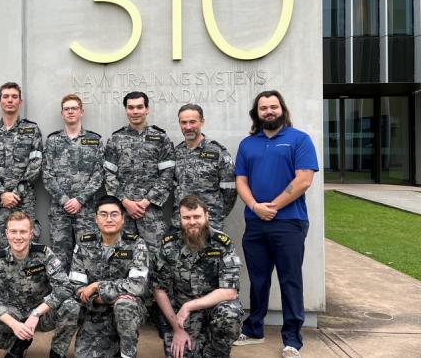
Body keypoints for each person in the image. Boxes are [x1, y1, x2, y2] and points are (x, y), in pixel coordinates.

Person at [233, 90, 318, 358]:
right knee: (258, 279)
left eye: (273, 106)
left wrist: (273, 207)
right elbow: (240, 181)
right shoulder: (248, 144)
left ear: (282, 109)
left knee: (290, 279)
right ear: (256, 113)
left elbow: (304, 179)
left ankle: (292, 339)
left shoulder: (299, 139)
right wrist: (255, 207)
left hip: (289, 222)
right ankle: (254, 329)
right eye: (263, 108)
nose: (269, 111)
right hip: (255, 222)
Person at [0, 211, 80, 358]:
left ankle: (57, 352)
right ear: (7, 233)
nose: (18, 237)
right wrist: (14, 324)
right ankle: (18, 343)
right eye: (13, 231)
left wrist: (36, 313)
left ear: (31, 234)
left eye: (23, 231)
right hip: (15, 313)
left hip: (43, 313)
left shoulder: (44, 254)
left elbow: (65, 287)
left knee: (72, 306)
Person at [153, 195, 243, 358]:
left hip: (213, 308)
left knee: (230, 314)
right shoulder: (169, 245)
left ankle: (217, 352)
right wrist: (177, 329)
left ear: (206, 216)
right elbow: (159, 289)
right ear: (179, 219)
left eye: (197, 216)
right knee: (180, 353)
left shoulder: (222, 244)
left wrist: (189, 306)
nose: (192, 222)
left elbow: (230, 292)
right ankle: (197, 342)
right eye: (187, 217)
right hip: (182, 315)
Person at [68, 195, 149, 358]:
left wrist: (97, 286)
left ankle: (127, 354)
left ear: (123, 219)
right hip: (94, 311)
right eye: (103, 214)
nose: (109, 219)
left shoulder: (136, 244)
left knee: (124, 304)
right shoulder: (84, 244)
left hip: (127, 311)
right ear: (96, 219)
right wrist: (106, 298)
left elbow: (137, 286)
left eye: (114, 214)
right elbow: (77, 287)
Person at [104, 91, 175, 255]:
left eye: (139, 107)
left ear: (147, 109)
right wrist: (125, 201)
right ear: (126, 110)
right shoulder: (116, 139)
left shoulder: (160, 138)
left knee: (155, 257)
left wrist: (145, 202)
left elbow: (167, 174)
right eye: (130, 107)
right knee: (123, 256)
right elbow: (108, 173)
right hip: (122, 211)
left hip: (150, 211)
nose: (135, 111)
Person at [0, 82, 43, 256]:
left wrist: (16, 193)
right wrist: (2, 193)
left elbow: (35, 164)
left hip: (24, 204)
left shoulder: (32, 130)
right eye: (6, 97)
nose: (10, 100)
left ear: (20, 102)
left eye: (14, 97)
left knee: (28, 255)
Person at [42, 94, 104, 267]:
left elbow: (99, 174)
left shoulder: (94, 140)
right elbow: (46, 174)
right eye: (67, 109)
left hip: (86, 210)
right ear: (62, 113)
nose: (70, 112)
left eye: (74, 108)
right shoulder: (53, 141)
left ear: (81, 112)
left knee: (88, 256)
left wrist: (80, 199)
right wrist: (64, 200)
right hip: (59, 211)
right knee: (60, 258)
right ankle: (63, 286)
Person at [172, 103, 237, 231]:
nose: (188, 127)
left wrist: (216, 215)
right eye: (184, 122)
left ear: (202, 122)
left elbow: (230, 190)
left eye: (192, 122)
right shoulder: (176, 152)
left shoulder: (218, 152)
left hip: (210, 223)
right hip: (181, 222)